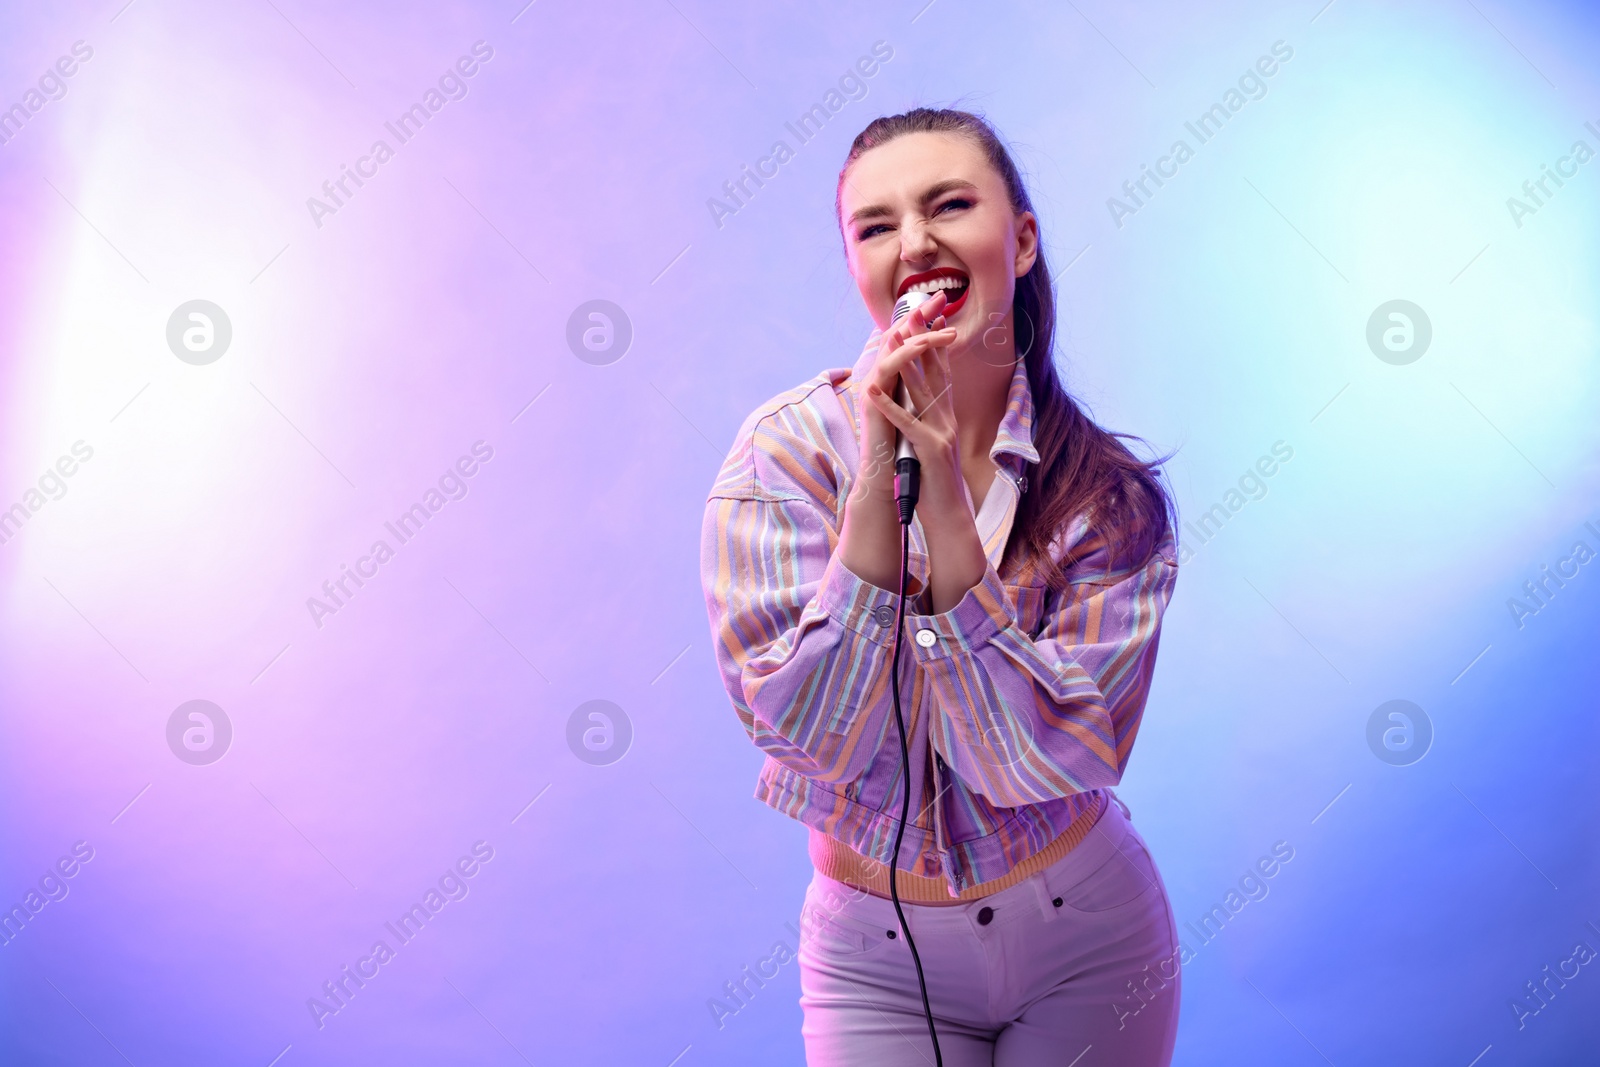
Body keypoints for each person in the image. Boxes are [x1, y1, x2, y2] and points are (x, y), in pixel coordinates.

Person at [700, 107, 1183, 1066]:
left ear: (1024, 238)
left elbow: (1041, 763)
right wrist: (883, 470)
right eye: (876, 226)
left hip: (1088, 935)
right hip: (870, 957)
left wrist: (949, 511)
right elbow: (810, 736)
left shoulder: (1110, 501)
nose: (915, 243)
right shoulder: (783, 457)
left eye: (949, 205)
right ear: (855, 267)